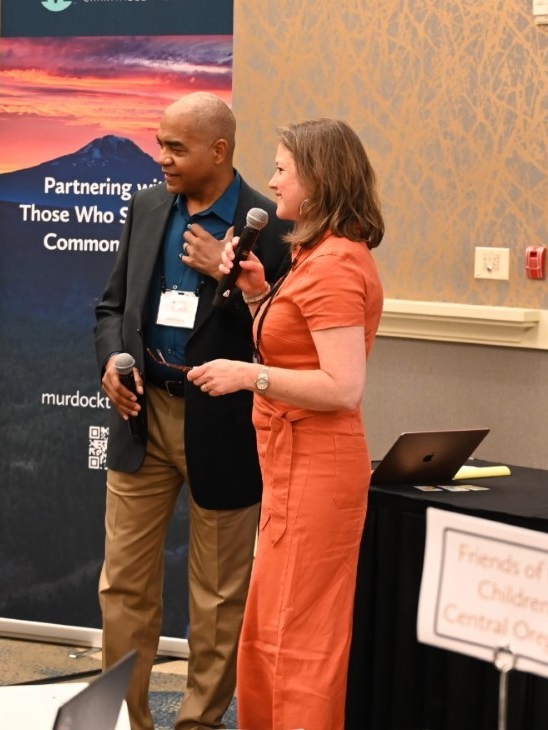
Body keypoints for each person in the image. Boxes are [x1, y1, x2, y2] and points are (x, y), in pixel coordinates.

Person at [93, 92, 290, 730]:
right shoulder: (149, 206)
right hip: (142, 415)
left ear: (219, 150)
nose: (162, 159)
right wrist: (111, 364)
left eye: (176, 148)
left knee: (218, 597)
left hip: (225, 426)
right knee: (123, 585)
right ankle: (129, 719)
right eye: (160, 144)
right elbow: (110, 308)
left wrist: (222, 277)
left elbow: (282, 337)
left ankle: (198, 722)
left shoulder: (273, 225)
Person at [188, 117, 385, 730]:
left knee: (299, 639)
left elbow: (343, 387)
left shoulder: (332, 266)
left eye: (281, 169)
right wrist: (255, 293)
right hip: (288, 462)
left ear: (318, 180)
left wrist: (248, 377)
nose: (270, 181)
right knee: (273, 627)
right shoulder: (311, 256)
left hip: (317, 467)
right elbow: (295, 347)